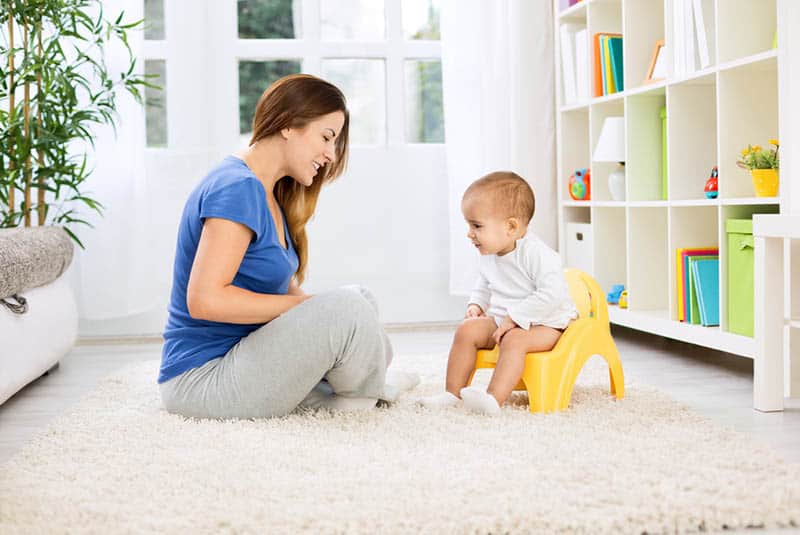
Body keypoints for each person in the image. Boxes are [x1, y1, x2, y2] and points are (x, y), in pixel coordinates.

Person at [159, 74, 417, 419]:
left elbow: (286, 295)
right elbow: (205, 300)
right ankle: (358, 399)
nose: (330, 154)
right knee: (348, 308)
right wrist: (318, 307)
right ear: (288, 125)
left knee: (359, 298)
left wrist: (321, 309)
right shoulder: (237, 188)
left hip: (243, 357)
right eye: (326, 137)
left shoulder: (268, 193)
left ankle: (358, 386)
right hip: (203, 380)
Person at [419, 171, 577, 415]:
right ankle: (453, 392)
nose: (469, 233)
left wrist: (515, 318)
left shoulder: (536, 254)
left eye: (477, 226)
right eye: (469, 225)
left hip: (545, 325)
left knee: (514, 339)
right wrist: (477, 304)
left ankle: (494, 399)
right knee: (467, 330)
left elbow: (552, 295)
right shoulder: (490, 252)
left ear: (511, 227)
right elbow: (485, 282)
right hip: (505, 320)